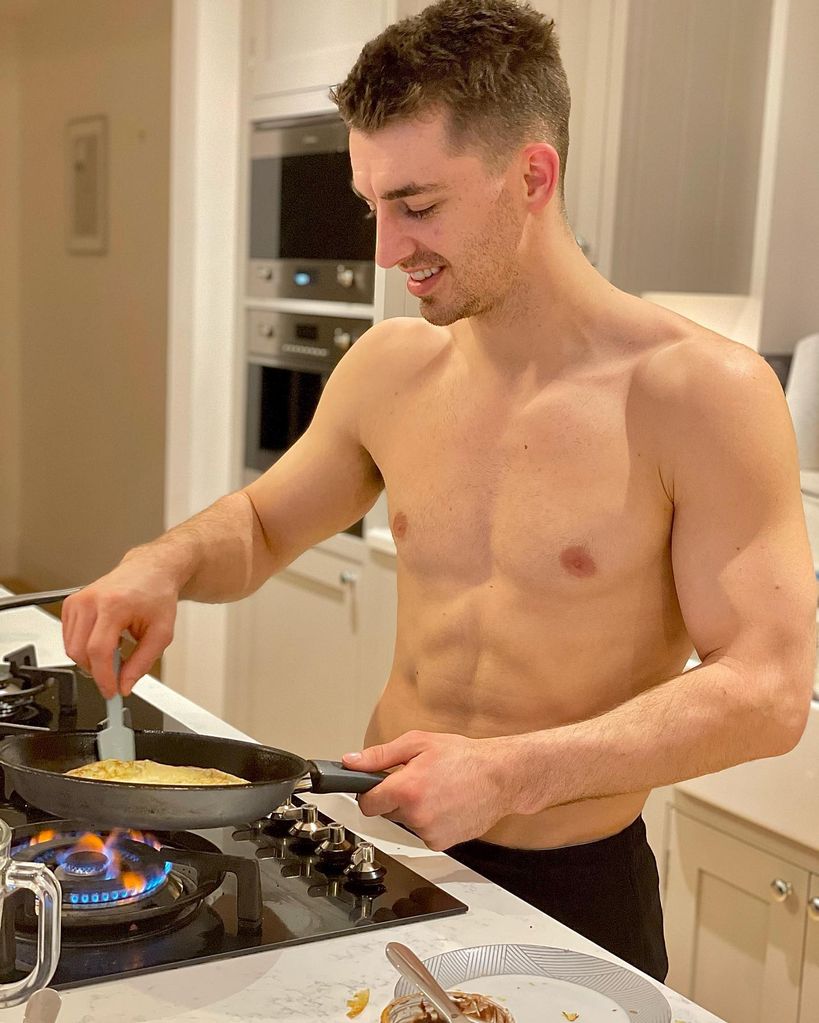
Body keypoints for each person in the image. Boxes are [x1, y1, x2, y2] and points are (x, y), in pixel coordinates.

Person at [62, 0, 816, 982]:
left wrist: (514, 770)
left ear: (532, 176)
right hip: (385, 851)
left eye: (418, 205)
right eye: (372, 204)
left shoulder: (699, 393)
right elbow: (259, 525)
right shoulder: (390, 368)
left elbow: (769, 691)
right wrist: (156, 565)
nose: (387, 250)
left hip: (574, 886)